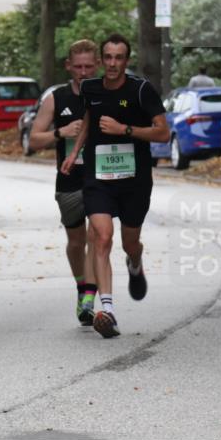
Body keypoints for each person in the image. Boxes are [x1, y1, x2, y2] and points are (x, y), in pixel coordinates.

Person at [63, 33, 170, 338]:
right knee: (102, 237)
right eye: (107, 57)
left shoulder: (141, 91)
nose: (112, 64)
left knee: (129, 242)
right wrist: (74, 154)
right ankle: (107, 310)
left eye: (118, 58)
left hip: (134, 181)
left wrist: (125, 129)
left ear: (126, 60)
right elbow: (87, 120)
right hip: (98, 177)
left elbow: (162, 133)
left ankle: (135, 263)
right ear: (101, 59)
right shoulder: (90, 88)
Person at [30, 39, 100, 326]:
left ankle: (88, 297)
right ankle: (81, 285)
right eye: (78, 66)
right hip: (69, 179)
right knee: (76, 241)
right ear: (68, 66)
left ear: (96, 65)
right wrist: (61, 132)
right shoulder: (55, 99)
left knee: (98, 236)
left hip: (100, 178)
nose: (83, 72)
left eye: (88, 66)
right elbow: (34, 140)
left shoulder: (107, 95)